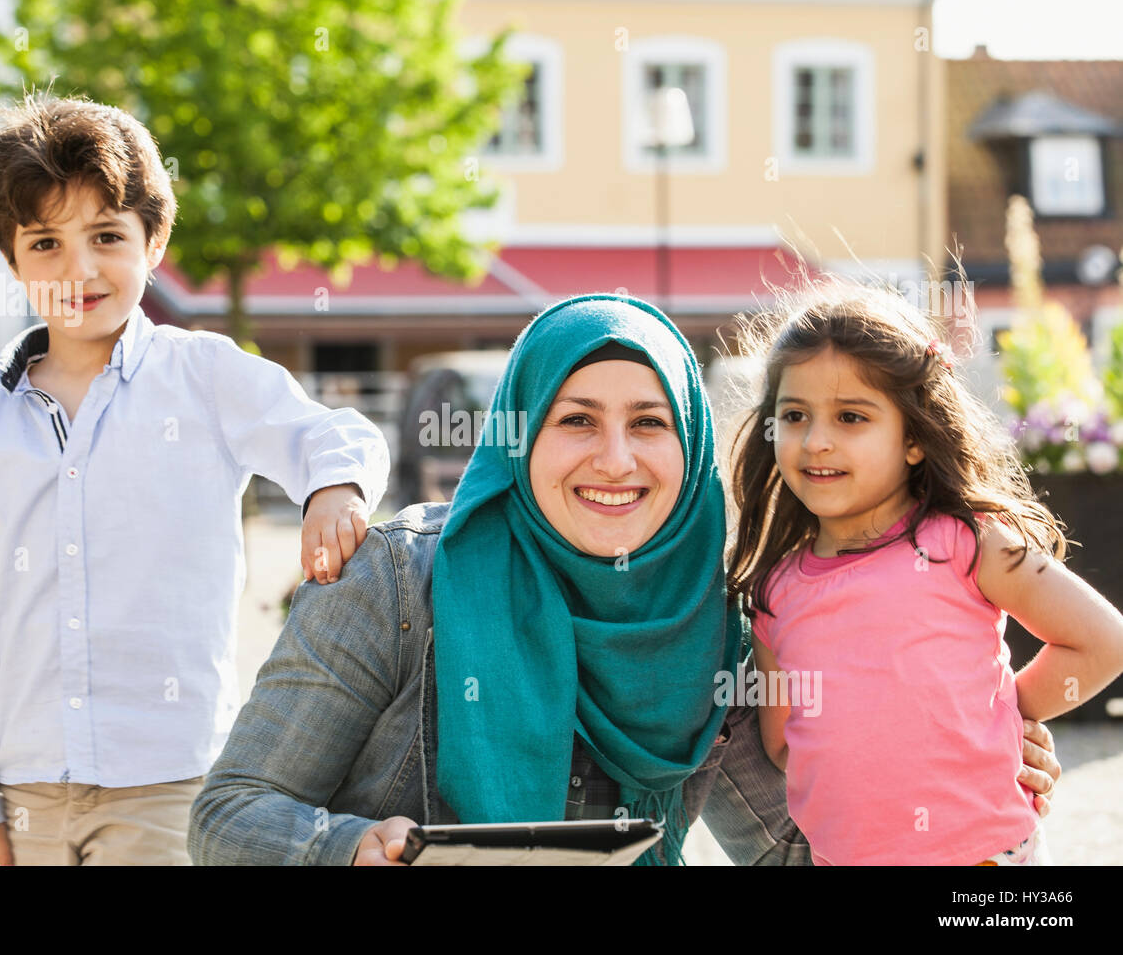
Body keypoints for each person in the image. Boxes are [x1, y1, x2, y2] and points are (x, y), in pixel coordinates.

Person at [188, 293, 1061, 866]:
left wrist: (950, 772)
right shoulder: (395, 585)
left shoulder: (717, 620)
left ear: (688, 442)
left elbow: (787, 845)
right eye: (576, 421)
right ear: (520, 434)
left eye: (649, 423)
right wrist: (347, 847)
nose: (616, 459)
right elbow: (229, 814)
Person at [0, 93, 390, 866]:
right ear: (10, 260)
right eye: (45, 245)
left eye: (107, 236)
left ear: (154, 240)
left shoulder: (202, 375)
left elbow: (331, 433)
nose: (80, 269)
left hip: (170, 782)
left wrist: (332, 489)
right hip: (25, 787)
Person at [727, 279, 1123, 865]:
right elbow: (785, 744)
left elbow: (1103, 642)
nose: (816, 441)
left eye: (851, 417)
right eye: (794, 415)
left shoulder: (967, 541)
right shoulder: (775, 592)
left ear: (914, 438)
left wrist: (1006, 712)